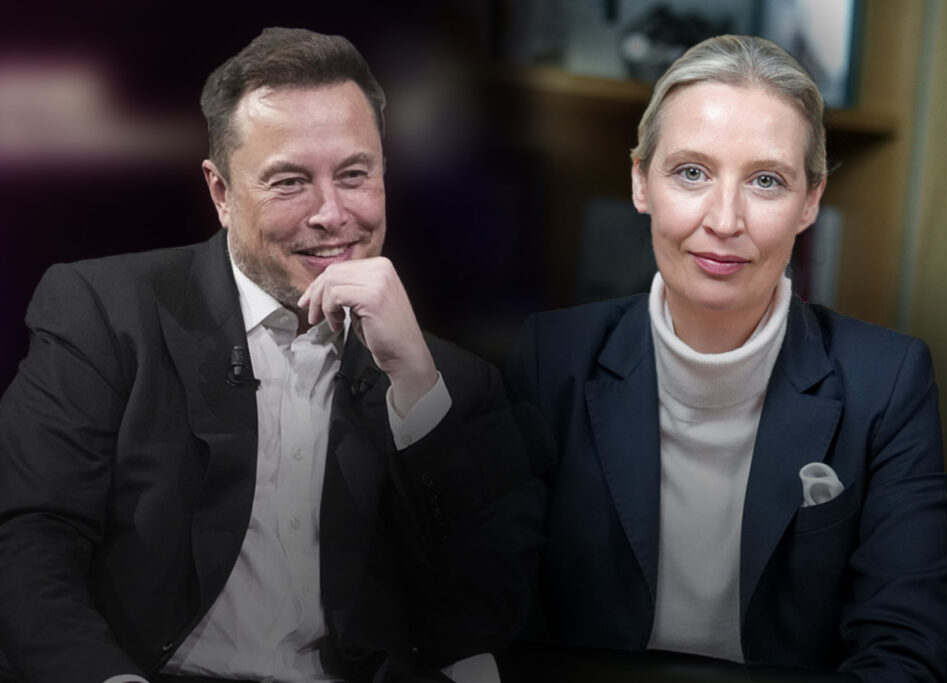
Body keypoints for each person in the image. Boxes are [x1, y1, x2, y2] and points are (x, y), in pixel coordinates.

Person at [0, 27, 547, 683]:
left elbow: (481, 614)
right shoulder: (106, 312)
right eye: (290, 182)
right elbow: (30, 536)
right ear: (221, 193)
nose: (331, 214)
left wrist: (414, 385)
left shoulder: (451, 381)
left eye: (355, 175)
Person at [508, 35, 947, 682]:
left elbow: (906, 657)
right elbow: (486, 617)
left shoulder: (888, 382)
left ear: (810, 201)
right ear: (640, 181)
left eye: (766, 181)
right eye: (691, 172)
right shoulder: (550, 358)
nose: (724, 220)